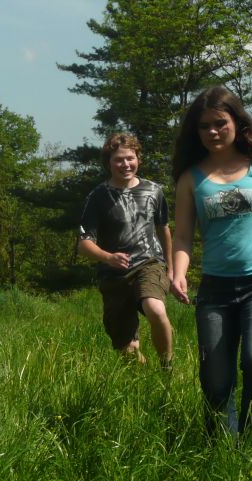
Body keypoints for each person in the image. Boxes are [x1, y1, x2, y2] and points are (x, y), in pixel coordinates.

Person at [171, 86, 252, 442]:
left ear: (237, 123)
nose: (213, 132)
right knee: (215, 379)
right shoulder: (190, 179)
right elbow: (182, 237)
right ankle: (222, 452)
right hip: (215, 288)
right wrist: (178, 273)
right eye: (204, 126)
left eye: (220, 123)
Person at [78, 132, 174, 369]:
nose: (125, 164)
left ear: (138, 158)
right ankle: (146, 377)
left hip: (149, 264)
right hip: (114, 275)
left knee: (156, 309)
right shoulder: (98, 197)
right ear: (108, 163)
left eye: (130, 158)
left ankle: (166, 367)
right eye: (118, 160)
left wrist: (171, 270)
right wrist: (108, 257)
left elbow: (163, 230)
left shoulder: (154, 191)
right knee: (128, 350)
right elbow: (83, 244)